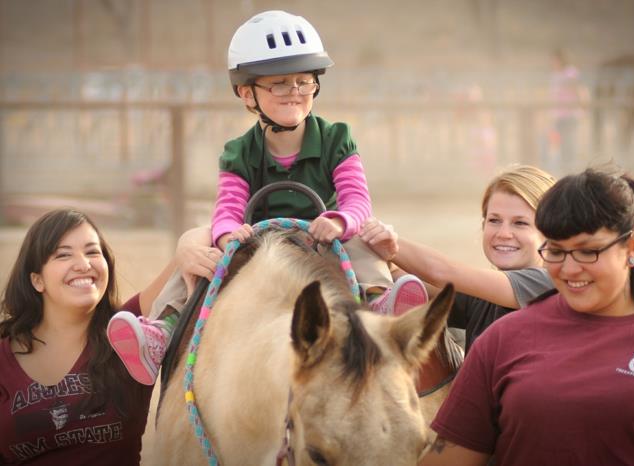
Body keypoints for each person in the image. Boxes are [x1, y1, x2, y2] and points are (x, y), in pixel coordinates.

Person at [106, 10, 427, 386]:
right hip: (261, 240)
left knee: (363, 237)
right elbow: (227, 207)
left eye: (304, 81)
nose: (294, 92)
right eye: (279, 84)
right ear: (247, 92)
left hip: (324, 237)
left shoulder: (337, 138)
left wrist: (339, 221)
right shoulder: (238, 152)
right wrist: (227, 235)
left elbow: (357, 199)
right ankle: (162, 330)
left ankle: (379, 301)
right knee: (198, 256)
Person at [421, 168, 634, 466]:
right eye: (556, 251)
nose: (568, 270)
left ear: (632, 246)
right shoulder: (501, 339)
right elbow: (450, 456)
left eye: (587, 252)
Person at [0, 209, 218, 465]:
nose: (84, 264)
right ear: (37, 280)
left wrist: (185, 245)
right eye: (63, 254)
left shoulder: (129, 331)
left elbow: (209, 232)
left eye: (93, 252)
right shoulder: (4, 355)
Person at [361, 165, 556, 351]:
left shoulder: (548, 284)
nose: (504, 233)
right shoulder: (482, 298)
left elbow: (441, 272)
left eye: (520, 223)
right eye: (494, 220)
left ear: (550, 235)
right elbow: (413, 286)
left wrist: (388, 243)